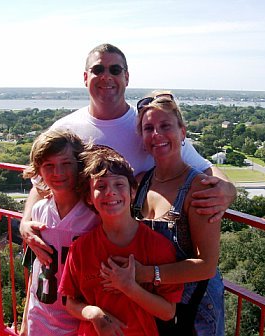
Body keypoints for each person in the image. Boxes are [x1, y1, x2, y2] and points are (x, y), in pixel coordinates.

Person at [20, 43, 236, 267]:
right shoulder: (65, 128)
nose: (106, 77)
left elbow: (203, 166)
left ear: (127, 77)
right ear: (85, 77)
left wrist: (228, 189)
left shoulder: (149, 126)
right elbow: (42, 184)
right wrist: (26, 221)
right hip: (77, 251)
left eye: (115, 70)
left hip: (130, 256)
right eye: (98, 70)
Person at [103, 91, 223, 335]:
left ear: (182, 132)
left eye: (165, 125)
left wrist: (144, 274)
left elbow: (206, 265)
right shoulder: (140, 183)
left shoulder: (199, 188)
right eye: (148, 129)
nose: (156, 135)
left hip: (194, 308)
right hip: (153, 304)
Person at [59, 145, 183, 335]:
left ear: (133, 192)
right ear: (89, 197)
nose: (110, 192)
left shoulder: (157, 246)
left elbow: (168, 312)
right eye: (101, 186)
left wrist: (129, 287)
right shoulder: (81, 248)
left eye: (119, 184)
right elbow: (70, 300)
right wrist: (94, 314)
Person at [20, 129, 101, 335]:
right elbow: (35, 272)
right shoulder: (38, 212)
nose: (58, 173)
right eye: (49, 166)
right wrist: (24, 323)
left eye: (66, 164)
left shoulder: (95, 216)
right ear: (38, 170)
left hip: (78, 324)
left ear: (80, 165)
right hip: (39, 319)